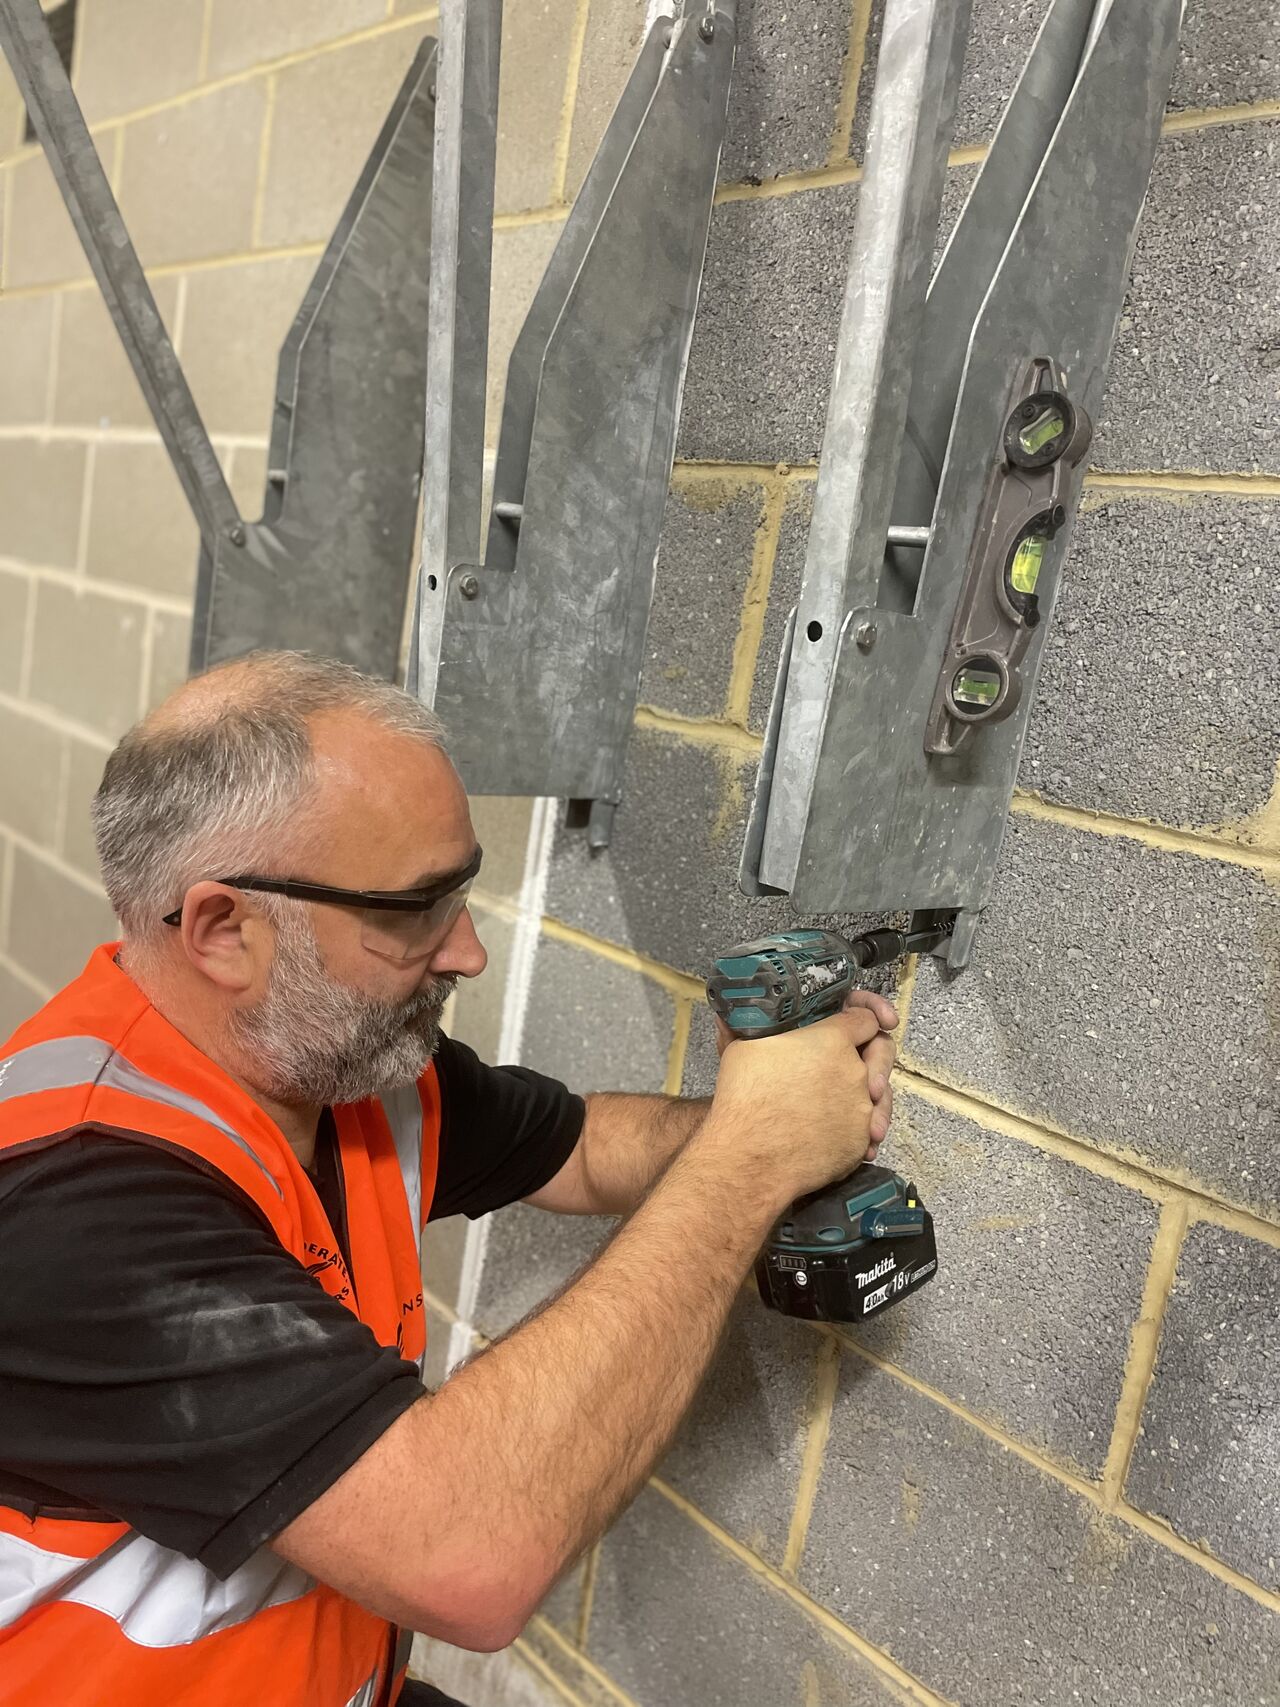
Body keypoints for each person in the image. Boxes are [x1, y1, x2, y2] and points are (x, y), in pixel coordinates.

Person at [0, 651, 897, 1707]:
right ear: (223, 931)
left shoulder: (334, 1073)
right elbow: (468, 1558)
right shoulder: (81, 1206)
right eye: (415, 908)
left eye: (460, 892)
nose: (465, 951)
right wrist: (749, 1161)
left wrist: (778, 1112)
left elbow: (577, 1146)